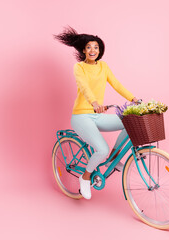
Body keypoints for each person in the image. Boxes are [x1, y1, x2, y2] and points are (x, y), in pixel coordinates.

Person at [54, 26, 139, 200]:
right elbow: (84, 87)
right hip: (81, 117)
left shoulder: (104, 67)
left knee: (129, 122)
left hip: (97, 115)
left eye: (96, 47)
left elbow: (116, 84)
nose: (93, 50)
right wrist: (94, 102)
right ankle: (84, 177)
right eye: (89, 47)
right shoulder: (79, 67)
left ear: (100, 51)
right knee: (101, 149)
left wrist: (133, 99)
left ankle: (114, 160)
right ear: (83, 51)